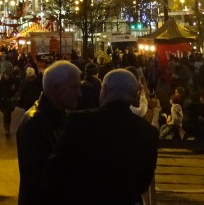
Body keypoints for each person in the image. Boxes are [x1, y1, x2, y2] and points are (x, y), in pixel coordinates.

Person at [46, 69, 159, 205]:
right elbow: (143, 182)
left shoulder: (79, 122)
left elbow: (56, 170)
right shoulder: (148, 132)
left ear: (104, 90)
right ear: (134, 96)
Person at [16, 61, 82, 205]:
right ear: (56, 88)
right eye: (74, 87)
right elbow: (40, 180)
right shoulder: (35, 124)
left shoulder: (56, 117)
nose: (79, 93)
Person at [0, 66, 19, 138]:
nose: (6, 76)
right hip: (4, 100)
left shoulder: (13, 81)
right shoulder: (1, 82)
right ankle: (6, 127)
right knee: (6, 114)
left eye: (7, 75)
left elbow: (16, 89)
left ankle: (7, 127)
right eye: (4, 75)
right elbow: (0, 91)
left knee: (8, 115)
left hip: (10, 100)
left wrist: (14, 90)